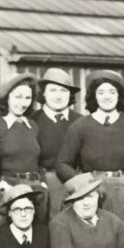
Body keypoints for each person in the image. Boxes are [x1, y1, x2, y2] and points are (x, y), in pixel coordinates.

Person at [56, 69, 124, 248]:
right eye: (101, 92)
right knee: (96, 242)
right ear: (93, 96)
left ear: (119, 95)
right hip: (93, 192)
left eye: (112, 92)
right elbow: (62, 164)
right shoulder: (80, 126)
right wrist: (83, 184)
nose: (107, 97)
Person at [0, 73, 45, 222]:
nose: (23, 103)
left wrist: (42, 183)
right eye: (18, 97)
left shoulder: (32, 126)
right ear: (6, 97)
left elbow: (38, 160)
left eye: (28, 98)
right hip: (8, 191)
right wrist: (0, 185)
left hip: (34, 191)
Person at [32, 68, 81, 219]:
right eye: (53, 90)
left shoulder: (81, 121)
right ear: (44, 93)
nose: (58, 96)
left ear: (70, 95)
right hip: (44, 184)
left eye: (64, 91)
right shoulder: (32, 121)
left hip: (75, 184)